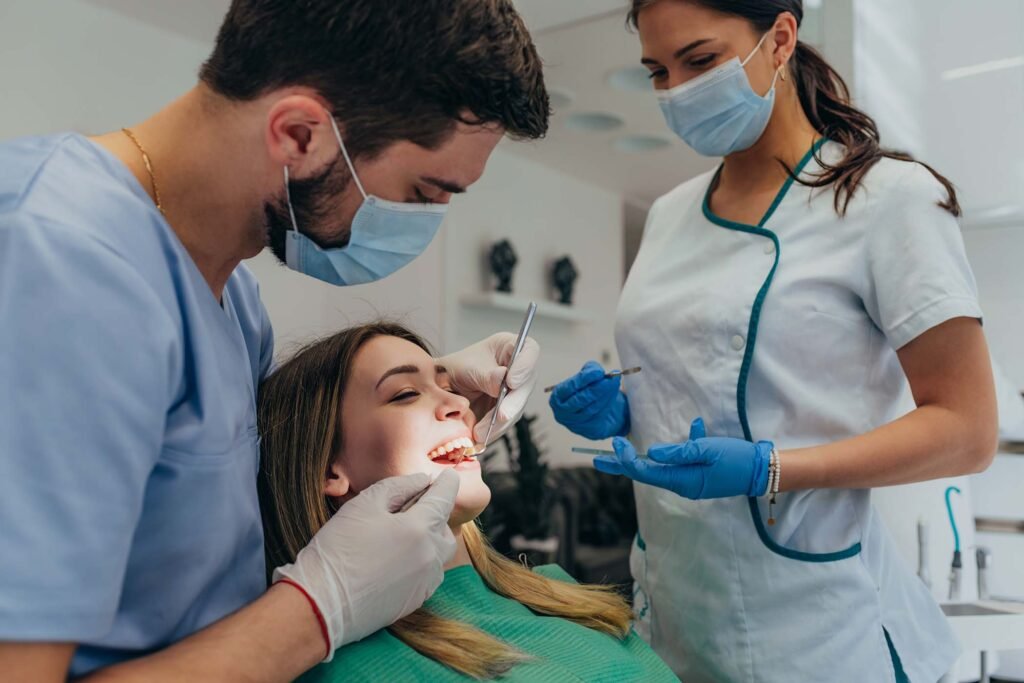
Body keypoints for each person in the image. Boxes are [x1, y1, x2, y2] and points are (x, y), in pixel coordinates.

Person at [0, 1, 549, 680]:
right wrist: (319, 608)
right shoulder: (55, 262)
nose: (428, 221)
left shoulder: (236, 303)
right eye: (424, 191)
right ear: (299, 135)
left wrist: (430, 377)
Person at [549, 1, 997, 681]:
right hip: (675, 617)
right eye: (657, 72)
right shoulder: (670, 215)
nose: (675, 92)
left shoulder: (889, 198)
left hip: (822, 633)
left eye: (700, 61)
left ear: (781, 38)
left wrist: (771, 467)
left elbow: (968, 430)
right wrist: (624, 413)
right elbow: (694, 380)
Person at [257, 321, 680, 682]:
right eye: (405, 393)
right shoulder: (351, 666)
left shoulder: (556, 590)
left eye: (446, 386)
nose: (460, 404)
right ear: (329, 470)